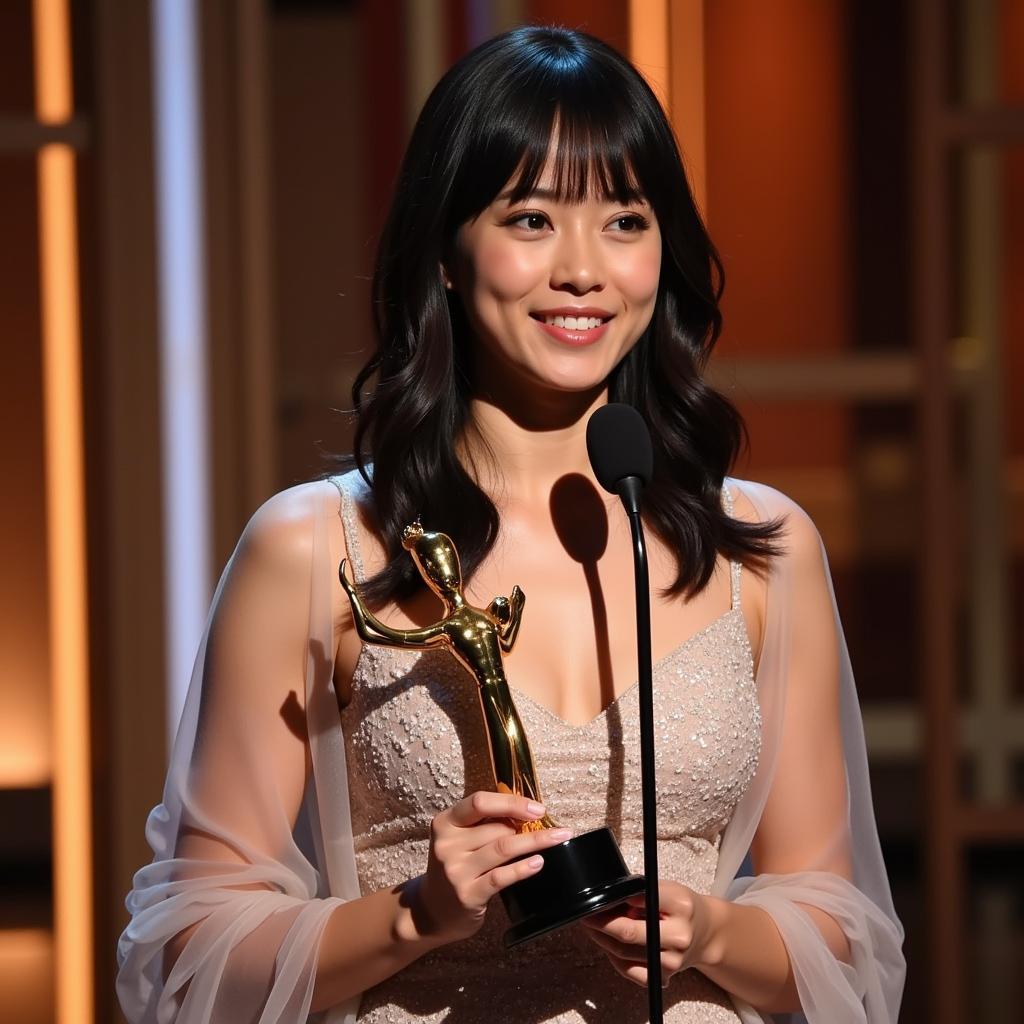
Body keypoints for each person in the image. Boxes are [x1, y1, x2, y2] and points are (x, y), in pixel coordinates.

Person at [116, 25, 905, 1024]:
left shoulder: (761, 546)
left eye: (625, 220)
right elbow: (187, 947)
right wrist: (414, 915)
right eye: (531, 220)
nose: (583, 270)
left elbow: (841, 929)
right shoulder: (314, 549)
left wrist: (708, 932)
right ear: (445, 250)